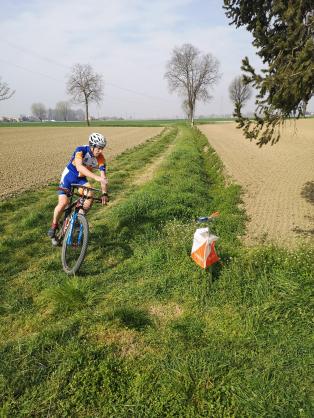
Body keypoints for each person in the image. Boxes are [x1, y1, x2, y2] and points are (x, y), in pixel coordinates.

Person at [47, 132, 109, 239]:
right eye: (99, 148)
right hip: (68, 177)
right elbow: (79, 167)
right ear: (92, 146)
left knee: (89, 196)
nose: (101, 151)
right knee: (63, 203)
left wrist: (104, 193)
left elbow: (103, 178)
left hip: (81, 180)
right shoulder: (80, 150)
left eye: (102, 148)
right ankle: (54, 225)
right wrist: (96, 177)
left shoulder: (101, 159)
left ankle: (78, 220)